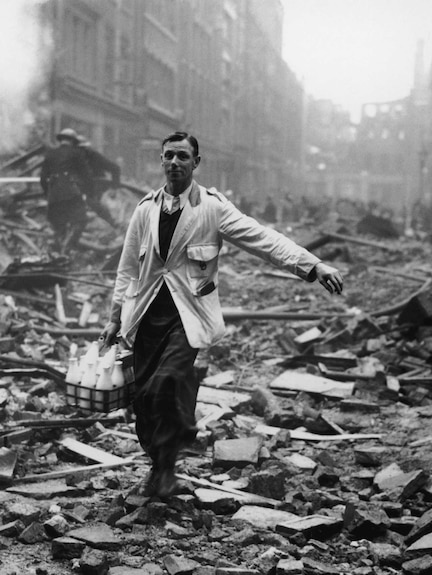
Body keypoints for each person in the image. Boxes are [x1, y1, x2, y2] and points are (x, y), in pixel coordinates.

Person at [99, 131, 344, 498]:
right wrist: (114, 317)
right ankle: (159, 463)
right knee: (145, 398)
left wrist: (312, 265)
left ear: (196, 163)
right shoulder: (145, 209)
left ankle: (166, 469)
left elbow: (262, 238)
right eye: (169, 156)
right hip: (146, 316)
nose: (175, 163)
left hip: (188, 316)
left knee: (167, 383)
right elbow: (126, 269)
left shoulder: (211, 207)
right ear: (160, 160)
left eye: (183, 157)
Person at [39, 128, 92, 248]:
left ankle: (57, 254)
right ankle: (67, 249)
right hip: (71, 194)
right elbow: (87, 175)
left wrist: (49, 193)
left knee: (58, 227)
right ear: (73, 141)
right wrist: (88, 192)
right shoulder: (76, 153)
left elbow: (43, 179)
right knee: (81, 220)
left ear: (61, 140)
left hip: (54, 197)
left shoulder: (50, 153)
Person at [78, 136, 122, 227]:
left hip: (96, 187)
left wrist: (114, 188)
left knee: (93, 203)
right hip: (80, 188)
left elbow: (115, 169)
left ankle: (111, 222)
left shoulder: (94, 157)